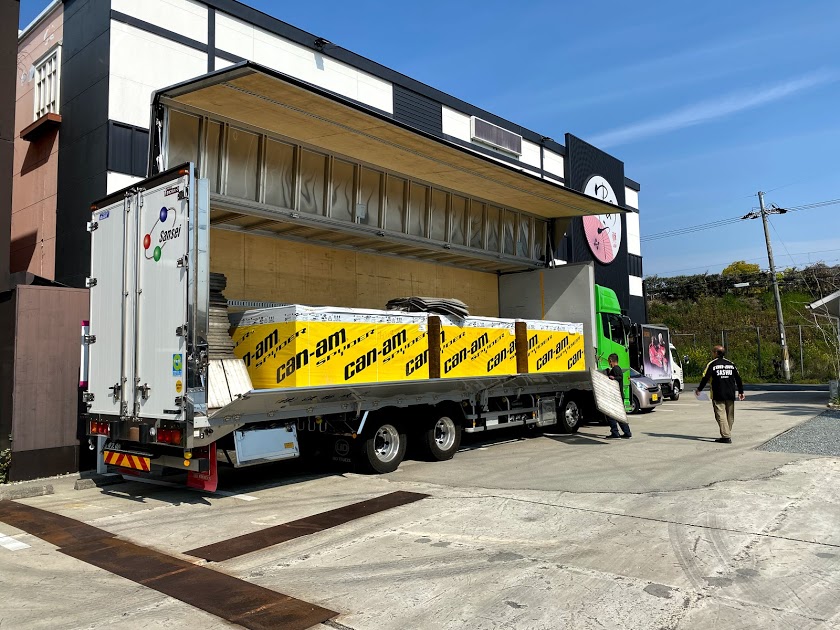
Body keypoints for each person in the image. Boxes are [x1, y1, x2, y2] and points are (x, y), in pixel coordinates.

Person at [695, 345, 745, 443]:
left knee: (720, 415)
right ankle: (727, 432)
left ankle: (726, 436)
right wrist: (741, 391)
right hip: (730, 393)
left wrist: (699, 389)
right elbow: (738, 378)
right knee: (730, 415)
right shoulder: (731, 364)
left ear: (715, 353)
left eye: (713, 352)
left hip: (718, 393)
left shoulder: (712, 364)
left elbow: (705, 377)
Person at [604, 353, 632, 439]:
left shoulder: (616, 369)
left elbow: (619, 377)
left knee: (610, 415)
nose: (609, 363)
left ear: (611, 361)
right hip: (619, 396)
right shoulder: (618, 368)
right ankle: (627, 432)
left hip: (616, 396)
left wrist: (613, 378)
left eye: (609, 361)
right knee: (620, 415)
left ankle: (615, 433)